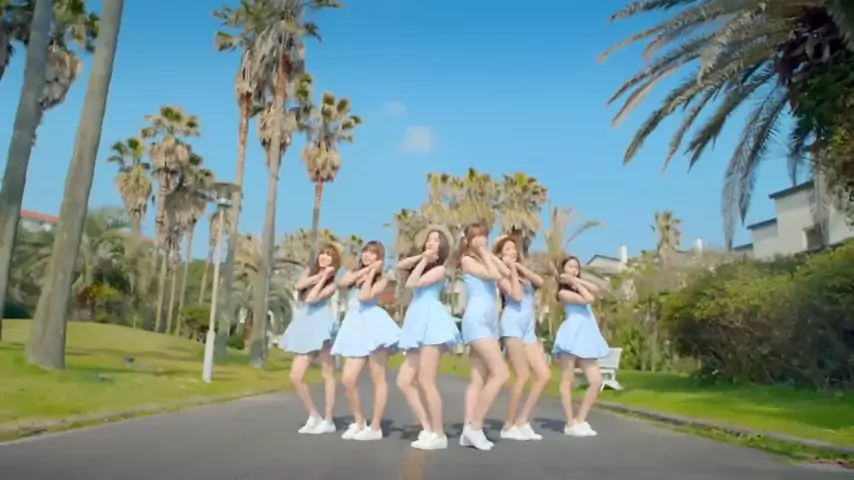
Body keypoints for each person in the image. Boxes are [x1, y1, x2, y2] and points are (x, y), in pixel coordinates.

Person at [396, 225, 460, 451]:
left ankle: (438, 433)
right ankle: (427, 427)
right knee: (404, 381)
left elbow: (412, 284)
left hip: (432, 322)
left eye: (436, 240)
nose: (431, 242)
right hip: (416, 321)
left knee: (426, 381)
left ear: (442, 247)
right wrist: (422, 257)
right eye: (429, 239)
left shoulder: (440, 269)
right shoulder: (422, 263)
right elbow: (401, 266)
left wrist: (423, 260)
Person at [331, 241, 400, 441]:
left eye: (373, 253)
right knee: (348, 378)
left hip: (374, 326)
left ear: (380, 258)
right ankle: (359, 422)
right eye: (365, 252)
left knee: (378, 378)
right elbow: (343, 283)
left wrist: (371, 273)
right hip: (354, 326)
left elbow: (365, 296)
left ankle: (375, 426)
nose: (367, 255)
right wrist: (367, 270)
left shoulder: (383, 279)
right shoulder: (352, 273)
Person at [458, 223, 510, 451]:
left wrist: (487, 253)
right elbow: (495, 275)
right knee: (501, 373)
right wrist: (484, 254)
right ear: (468, 240)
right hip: (476, 320)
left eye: (484, 236)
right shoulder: (467, 260)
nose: (482, 240)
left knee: (479, 378)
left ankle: (467, 429)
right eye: (476, 236)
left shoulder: (485, 257)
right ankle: (475, 427)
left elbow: (505, 272)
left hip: (490, 323)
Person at [279, 244, 341, 435]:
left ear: (334, 261)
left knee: (327, 373)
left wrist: (324, 278)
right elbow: (299, 286)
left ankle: (328, 420)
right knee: (295, 376)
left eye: (329, 255)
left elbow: (312, 298)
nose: (324, 257)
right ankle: (314, 415)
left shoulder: (332, 284)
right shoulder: (309, 272)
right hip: (304, 325)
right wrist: (319, 275)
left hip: (322, 326)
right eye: (322, 253)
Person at [493, 235, 550, 442]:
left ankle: (523, 420)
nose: (512, 252)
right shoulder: (501, 276)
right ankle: (508, 425)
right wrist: (512, 269)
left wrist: (520, 268)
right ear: (500, 255)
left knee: (544, 375)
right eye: (507, 250)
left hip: (528, 328)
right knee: (523, 375)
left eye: (514, 249)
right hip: (512, 325)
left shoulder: (523, 273)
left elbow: (541, 282)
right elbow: (516, 296)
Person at [552, 255, 608, 437]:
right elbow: (587, 298)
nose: (574, 269)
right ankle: (569, 423)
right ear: (563, 270)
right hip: (572, 335)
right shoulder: (563, 293)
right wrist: (572, 282)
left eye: (576, 267)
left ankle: (580, 419)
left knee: (596, 381)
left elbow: (595, 289)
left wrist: (575, 280)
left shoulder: (576, 284)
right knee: (567, 380)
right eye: (570, 267)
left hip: (586, 336)